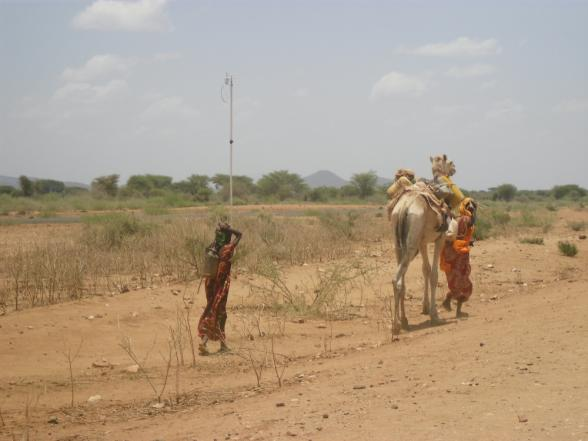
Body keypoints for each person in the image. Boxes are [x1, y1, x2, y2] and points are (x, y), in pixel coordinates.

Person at [198, 222, 242, 355]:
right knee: (217, 314)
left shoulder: (213, 247)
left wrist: (222, 230)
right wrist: (228, 229)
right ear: (228, 236)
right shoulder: (227, 248)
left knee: (218, 313)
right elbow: (240, 235)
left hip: (210, 286)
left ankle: (222, 345)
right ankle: (204, 342)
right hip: (220, 287)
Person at [440, 198, 477, 318]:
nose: (471, 208)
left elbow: (460, 235)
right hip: (459, 254)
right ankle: (458, 311)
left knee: (454, 280)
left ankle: (448, 300)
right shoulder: (467, 218)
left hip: (450, 252)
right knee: (464, 283)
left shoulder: (457, 219)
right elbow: (469, 224)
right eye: (470, 207)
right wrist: (473, 214)